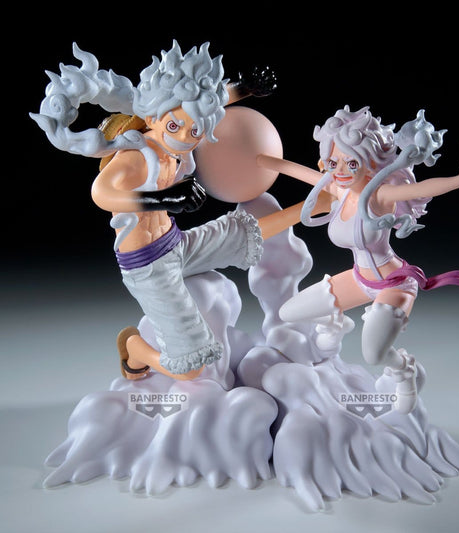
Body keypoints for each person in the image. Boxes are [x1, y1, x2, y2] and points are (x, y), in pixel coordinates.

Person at [31, 41, 328, 381]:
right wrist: (163, 200)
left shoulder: (180, 135)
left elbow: (200, 105)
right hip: (148, 267)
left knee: (242, 232)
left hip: (177, 244)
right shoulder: (136, 156)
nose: (185, 137)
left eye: (195, 131)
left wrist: (244, 88)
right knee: (190, 369)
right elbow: (101, 193)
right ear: (152, 118)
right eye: (173, 127)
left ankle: (315, 205)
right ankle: (135, 349)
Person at [257, 105, 459, 413]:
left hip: (394, 284)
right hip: (359, 279)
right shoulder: (339, 190)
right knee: (290, 311)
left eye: (351, 162)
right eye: (333, 162)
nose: (341, 170)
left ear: (371, 162)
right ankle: (333, 324)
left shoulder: (380, 197)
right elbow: (299, 171)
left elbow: (423, 188)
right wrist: (261, 159)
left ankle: (404, 371)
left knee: (374, 355)